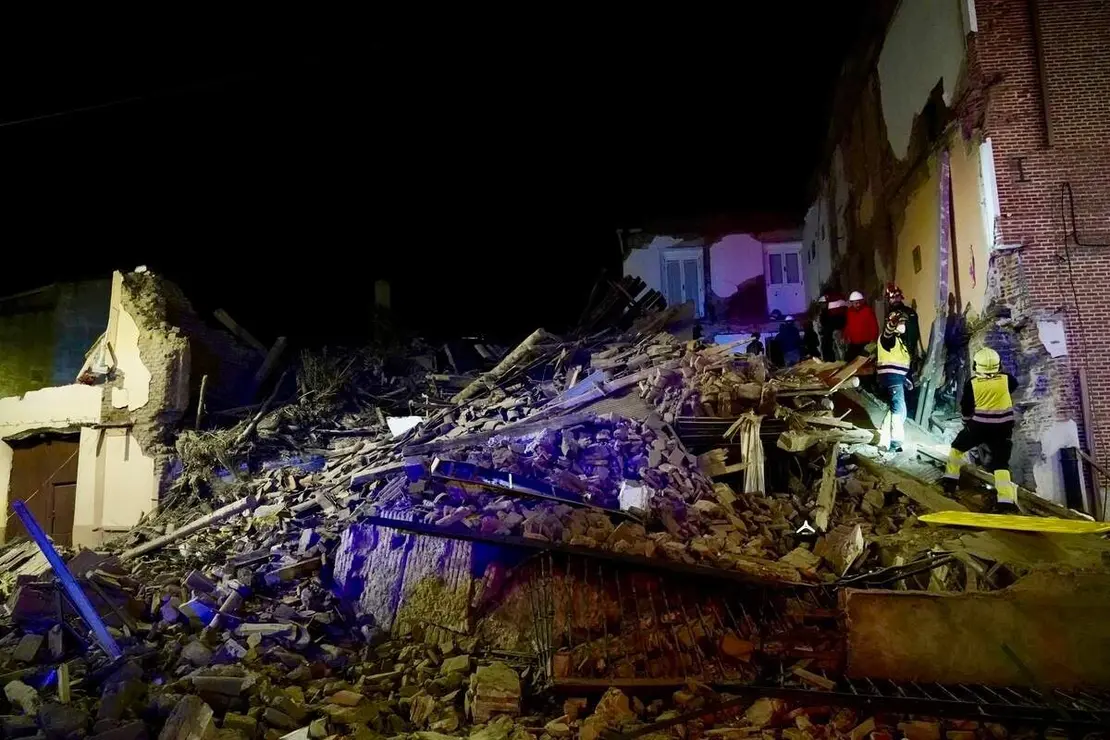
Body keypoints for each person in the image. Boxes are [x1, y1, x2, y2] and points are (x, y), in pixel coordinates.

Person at [942, 347, 1019, 507]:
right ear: (998, 365)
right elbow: (1013, 386)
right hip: (1003, 429)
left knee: (957, 448)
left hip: (979, 427)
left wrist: (966, 424)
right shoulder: (1007, 380)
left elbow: (967, 409)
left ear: (977, 366)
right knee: (1001, 464)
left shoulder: (973, 384)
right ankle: (1006, 501)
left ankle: (950, 483)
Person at [876, 309, 913, 453]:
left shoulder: (898, 341)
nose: (903, 325)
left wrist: (905, 380)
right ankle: (896, 440)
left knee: (894, 410)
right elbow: (887, 333)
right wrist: (892, 323)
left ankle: (884, 439)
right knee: (899, 409)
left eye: (904, 322)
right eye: (901, 322)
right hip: (891, 379)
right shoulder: (888, 339)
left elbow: (898, 363)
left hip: (896, 378)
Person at [884, 283, 921, 365]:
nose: (895, 300)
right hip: (894, 355)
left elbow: (914, 334)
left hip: (905, 353)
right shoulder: (889, 315)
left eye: (896, 297)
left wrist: (910, 350)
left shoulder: (909, 313)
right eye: (892, 298)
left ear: (900, 297)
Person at [843, 291, 879, 360]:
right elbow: (848, 325)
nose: (858, 304)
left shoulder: (867, 311)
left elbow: (874, 326)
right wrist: (845, 336)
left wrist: (873, 339)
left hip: (866, 342)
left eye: (859, 302)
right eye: (856, 303)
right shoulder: (849, 312)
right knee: (848, 360)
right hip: (854, 342)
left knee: (864, 361)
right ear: (852, 302)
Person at [818, 292, 848, 361]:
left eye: (822, 303)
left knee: (838, 351)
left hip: (833, 334)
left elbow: (828, 324)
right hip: (833, 334)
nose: (822, 305)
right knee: (838, 351)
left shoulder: (828, 313)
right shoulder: (829, 312)